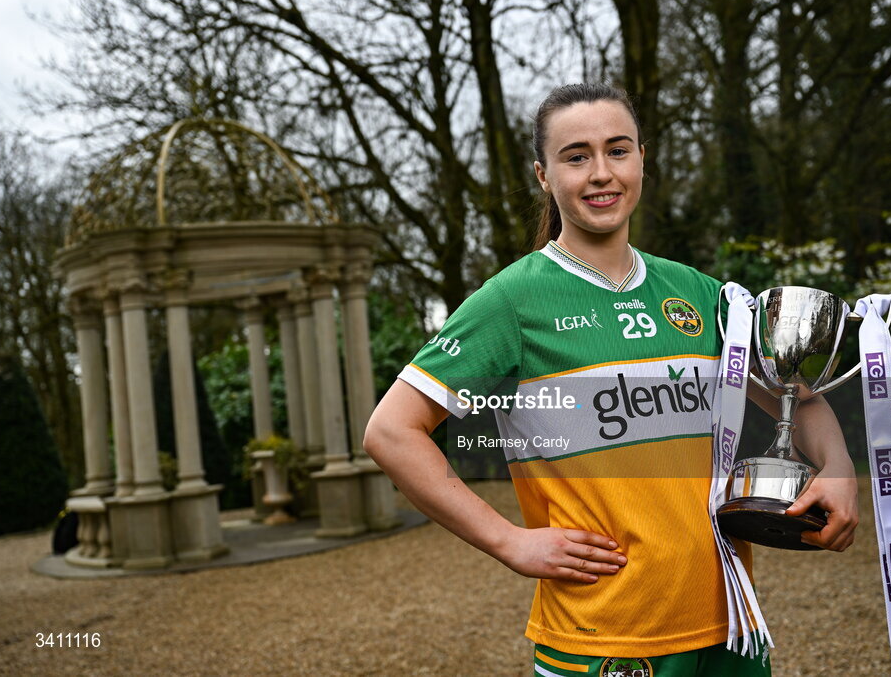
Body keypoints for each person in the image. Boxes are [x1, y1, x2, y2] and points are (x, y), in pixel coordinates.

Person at [363, 83, 858, 676]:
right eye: (577, 157)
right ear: (544, 176)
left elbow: (793, 395)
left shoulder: (698, 293)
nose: (601, 172)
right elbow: (391, 432)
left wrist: (837, 468)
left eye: (617, 150)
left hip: (729, 624)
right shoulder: (512, 301)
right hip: (604, 636)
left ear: (642, 159)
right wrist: (508, 541)